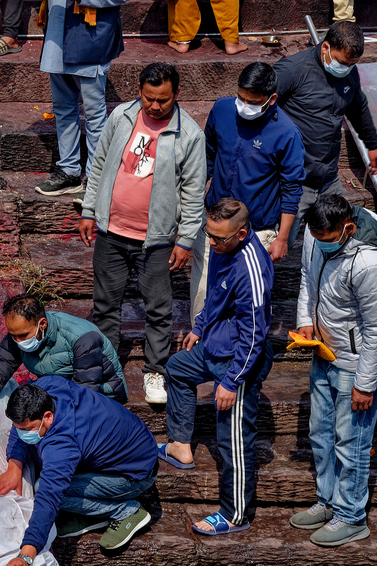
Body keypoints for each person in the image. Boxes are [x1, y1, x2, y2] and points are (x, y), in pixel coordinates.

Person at [79, 62, 206, 405]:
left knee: (158, 309)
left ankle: (155, 371)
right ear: (140, 90)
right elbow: (100, 163)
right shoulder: (121, 116)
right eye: (149, 98)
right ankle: (105, 367)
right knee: (105, 305)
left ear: (176, 95)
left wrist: (185, 239)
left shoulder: (190, 135)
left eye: (162, 99)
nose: (154, 106)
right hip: (111, 231)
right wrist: (89, 210)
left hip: (158, 240)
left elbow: (193, 194)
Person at [160, 198, 274, 536]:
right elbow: (215, 296)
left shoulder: (252, 269)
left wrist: (231, 382)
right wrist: (200, 325)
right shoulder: (223, 248)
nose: (211, 243)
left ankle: (235, 514)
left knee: (232, 438)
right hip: (213, 343)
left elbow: (254, 334)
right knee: (178, 369)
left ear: (240, 234)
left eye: (218, 238)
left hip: (239, 361)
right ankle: (180, 446)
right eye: (208, 234)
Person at [27, 0, 135, 199]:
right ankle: (69, 170)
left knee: (94, 111)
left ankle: (96, 175)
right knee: (63, 108)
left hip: (90, 34)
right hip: (58, 32)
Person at [0, 378, 158, 566]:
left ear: (48, 417)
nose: (22, 434)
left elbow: (49, 496)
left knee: (41, 488)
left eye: (27, 430)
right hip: (138, 444)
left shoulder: (63, 445)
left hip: (135, 475)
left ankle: (126, 512)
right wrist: (15, 465)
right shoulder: (45, 387)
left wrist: (26, 555)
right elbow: (19, 422)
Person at [292, 192, 377, 547]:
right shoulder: (315, 235)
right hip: (323, 353)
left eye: (329, 240)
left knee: (352, 443)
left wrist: (366, 384)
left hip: (354, 365)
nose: (321, 245)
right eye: (317, 238)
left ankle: (352, 515)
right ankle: (327, 501)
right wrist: (305, 321)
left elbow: (375, 328)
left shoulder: (368, 264)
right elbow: (306, 280)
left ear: (348, 229)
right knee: (321, 435)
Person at [193, 62, 304, 322]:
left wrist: (282, 238)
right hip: (214, 224)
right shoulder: (222, 109)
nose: (244, 105)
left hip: (256, 232)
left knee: (247, 303)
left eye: (253, 102)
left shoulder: (287, 133)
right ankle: (200, 351)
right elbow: (207, 156)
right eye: (240, 98)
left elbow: (292, 189)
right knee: (202, 296)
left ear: (272, 98)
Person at [0, 294, 127, 453]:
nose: (17, 342)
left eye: (23, 336)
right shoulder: (17, 337)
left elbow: (86, 395)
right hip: (60, 390)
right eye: (12, 336)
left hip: (102, 396)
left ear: (42, 324)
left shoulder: (81, 338)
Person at [274, 22, 377, 240]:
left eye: (352, 64)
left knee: (340, 237)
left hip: (328, 177)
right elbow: (260, 108)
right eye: (342, 62)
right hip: (294, 181)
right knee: (281, 242)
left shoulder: (349, 73)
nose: (346, 68)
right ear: (325, 47)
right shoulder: (292, 71)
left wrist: (373, 145)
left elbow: (358, 109)